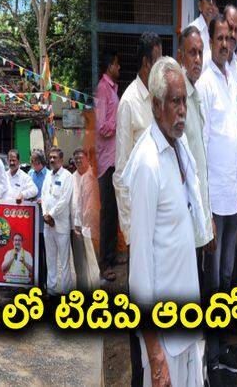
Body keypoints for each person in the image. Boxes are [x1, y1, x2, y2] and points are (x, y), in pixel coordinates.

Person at [124, 57, 206, 387]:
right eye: (175, 101)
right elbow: (139, 272)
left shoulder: (178, 147)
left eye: (184, 99)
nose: (182, 109)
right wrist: (155, 356)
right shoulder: (147, 164)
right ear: (157, 105)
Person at [198, 14, 237, 374]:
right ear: (211, 40)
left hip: (233, 198)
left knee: (227, 277)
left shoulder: (233, 79)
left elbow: (236, 146)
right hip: (214, 202)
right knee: (213, 282)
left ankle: (220, 346)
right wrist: (205, 213)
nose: (225, 43)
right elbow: (201, 150)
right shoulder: (204, 85)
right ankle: (212, 357)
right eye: (219, 37)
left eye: (229, 37)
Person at [114, 31, 162, 245]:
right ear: (145, 63)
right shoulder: (128, 102)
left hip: (161, 210)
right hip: (139, 218)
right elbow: (121, 170)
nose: (161, 69)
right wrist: (130, 230)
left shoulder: (160, 97)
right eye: (157, 61)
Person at [177, 25, 216, 285]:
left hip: (197, 212)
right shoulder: (178, 97)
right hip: (183, 215)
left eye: (201, 53)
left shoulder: (195, 93)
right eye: (192, 53)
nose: (198, 60)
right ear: (181, 55)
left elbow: (199, 162)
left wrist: (207, 217)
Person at [95, 51, 120, 282]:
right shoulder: (103, 89)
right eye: (117, 63)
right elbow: (102, 127)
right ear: (110, 65)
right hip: (106, 161)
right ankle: (104, 264)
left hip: (115, 158)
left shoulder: (113, 88)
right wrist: (119, 121)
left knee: (114, 211)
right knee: (107, 213)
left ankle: (111, 256)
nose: (119, 67)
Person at [42, 146, 75, 296]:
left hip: (60, 225)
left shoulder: (67, 176)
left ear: (61, 160)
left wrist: (51, 215)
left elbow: (64, 200)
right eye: (51, 157)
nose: (52, 159)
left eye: (55, 157)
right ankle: (51, 288)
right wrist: (45, 215)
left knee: (64, 261)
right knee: (50, 259)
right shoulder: (48, 175)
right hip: (48, 225)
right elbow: (43, 195)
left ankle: (66, 291)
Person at [71, 148, 100, 293]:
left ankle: (95, 288)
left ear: (87, 158)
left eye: (80, 158)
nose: (77, 161)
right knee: (79, 261)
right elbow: (76, 204)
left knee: (93, 258)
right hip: (78, 225)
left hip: (93, 225)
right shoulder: (72, 177)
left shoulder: (94, 174)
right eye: (75, 159)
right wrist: (76, 225)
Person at [28, 149, 49, 288]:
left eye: (33, 161)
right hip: (31, 222)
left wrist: (44, 200)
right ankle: (34, 281)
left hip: (44, 222)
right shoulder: (29, 174)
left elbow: (52, 194)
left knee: (45, 254)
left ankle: (44, 282)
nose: (31, 163)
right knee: (33, 253)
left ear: (39, 162)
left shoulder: (48, 175)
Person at [190, 0, 218, 65]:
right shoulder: (193, 30)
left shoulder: (215, 31)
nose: (211, 3)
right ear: (199, 5)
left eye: (213, 0)